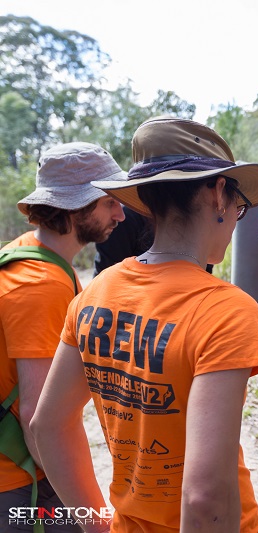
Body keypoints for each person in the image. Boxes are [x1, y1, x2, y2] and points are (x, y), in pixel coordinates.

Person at [30, 117, 258, 532]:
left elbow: (47, 426)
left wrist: (96, 523)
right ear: (218, 194)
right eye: (240, 204)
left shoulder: (96, 292)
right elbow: (204, 497)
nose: (237, 215)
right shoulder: (225, 309)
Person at [0, 142, 126, 532]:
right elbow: (40, 424)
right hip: (21, 482)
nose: (121, 214)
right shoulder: (41, 285)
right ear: (77, 207)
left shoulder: (30, 253)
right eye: (110, 202)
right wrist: (97, 520)